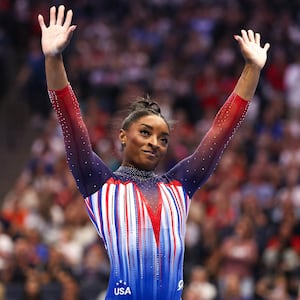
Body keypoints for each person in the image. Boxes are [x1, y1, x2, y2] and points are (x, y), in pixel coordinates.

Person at [37, 5, 270, 300]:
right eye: (145, 133)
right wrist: (54, 58)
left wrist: (252, 69)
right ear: (123, 136)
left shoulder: (180, 185)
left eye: (163, 138)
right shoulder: (99, 185)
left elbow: (221, 131)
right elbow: (71, 122)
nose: (154, 143)